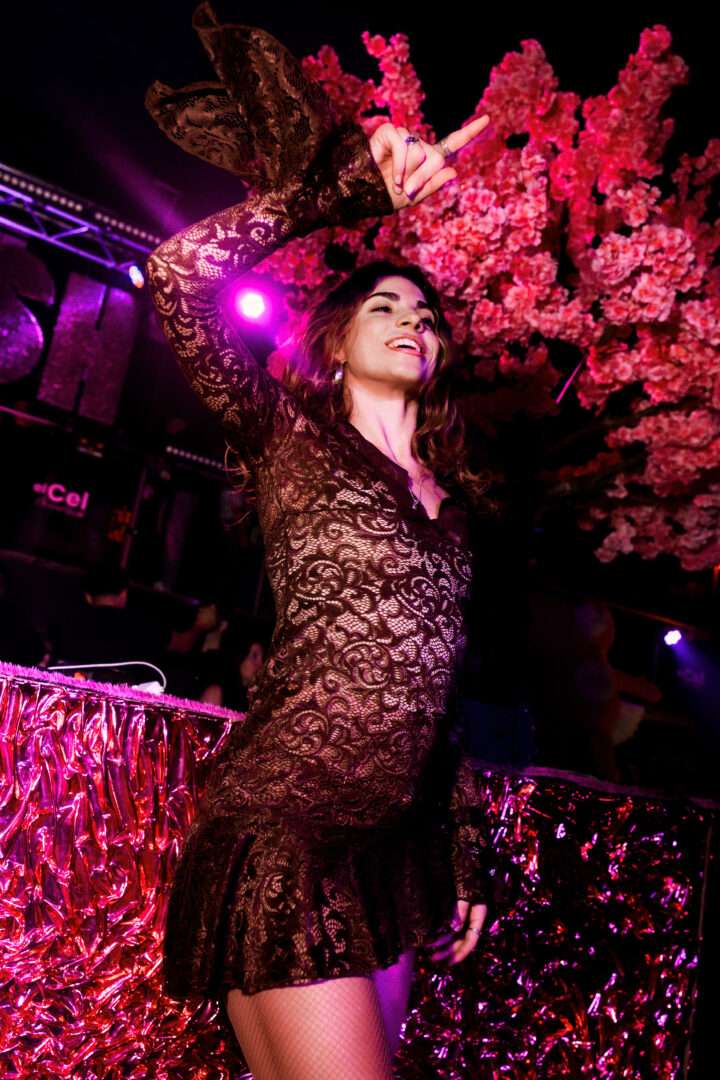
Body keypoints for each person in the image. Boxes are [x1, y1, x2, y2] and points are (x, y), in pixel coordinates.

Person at [146, 9, 493, 1077]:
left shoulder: (458, 510)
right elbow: (176, 275)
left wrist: (463, 848)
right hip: (285, 828)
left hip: (391, 855)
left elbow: (441, 690)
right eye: (386, 306)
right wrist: (342, 194)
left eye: (427, 314)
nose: (413, 320)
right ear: (336, 341)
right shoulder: (287, 437)